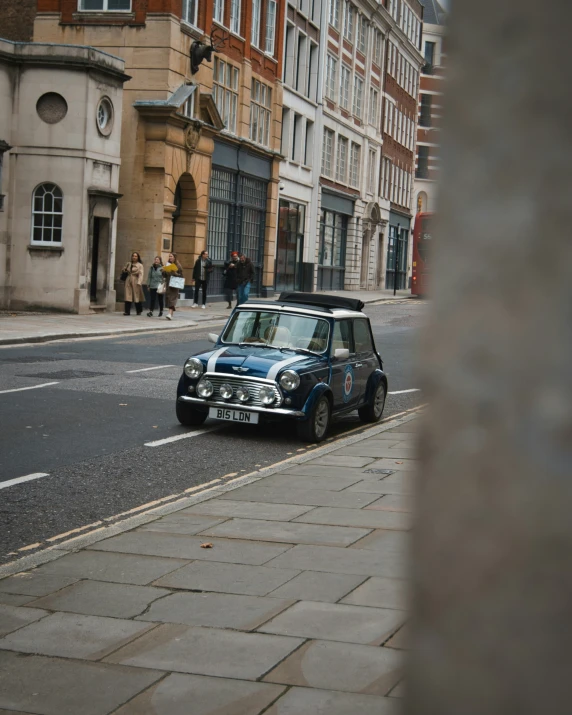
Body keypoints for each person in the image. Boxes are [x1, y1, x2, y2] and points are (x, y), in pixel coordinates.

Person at [162, 252, 184, 321]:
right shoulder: (168, 264)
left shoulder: (178, 266)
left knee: (172, 299)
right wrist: (163, 271)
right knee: (169, 298)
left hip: (175, 284)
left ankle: (169, 313)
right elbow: (165, 275)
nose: (170, 258)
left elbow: (181, 276)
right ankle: (171, 314)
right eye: (169, 256)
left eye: (171, 256)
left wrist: (175, 273)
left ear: (174, 257)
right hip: (168, 283)